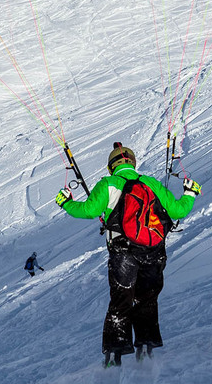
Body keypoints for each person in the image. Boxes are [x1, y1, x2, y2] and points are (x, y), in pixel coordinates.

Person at [56, 143, 200, 366]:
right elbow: (178, 210)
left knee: (121, 300)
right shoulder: (150, 182)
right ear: (133, 163)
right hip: (154, 250)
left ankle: (115, 355)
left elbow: (89, 211)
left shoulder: (108, 183)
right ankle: (146, 349)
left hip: (123, 251)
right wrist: (190, 193)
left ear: (110, 166)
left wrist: (66, 202)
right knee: (147, 299)